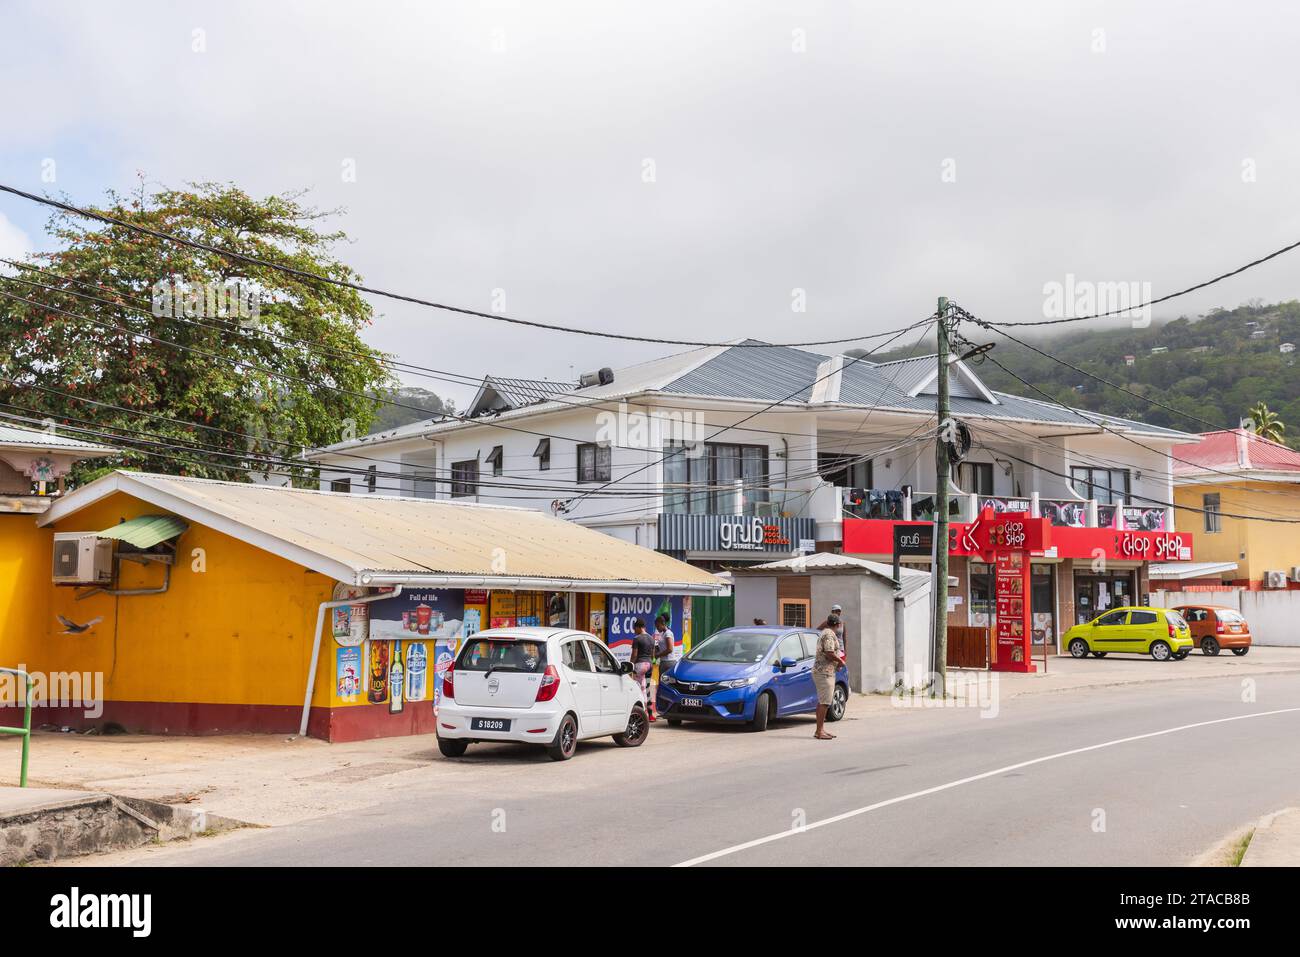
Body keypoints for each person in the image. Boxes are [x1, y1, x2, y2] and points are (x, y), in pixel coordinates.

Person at [813, 613, 844, 741]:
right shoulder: (829, 635)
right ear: (837, 625)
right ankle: (819, 731)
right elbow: (829, 652)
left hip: (824, 671)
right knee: (825, 702)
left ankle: (820, 730)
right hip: (824, 672)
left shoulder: (825, 632)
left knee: (823, 701)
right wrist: (841, 661)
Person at [652, 614, 678, 721]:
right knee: (662, 687)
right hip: (663, 663)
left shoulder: (668, 633)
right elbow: (661, 646)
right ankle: (663, 709)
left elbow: (670, 649)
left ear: (663, 624)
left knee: (667, 686)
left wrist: (658, 655)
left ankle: (669, 710)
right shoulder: (663, 634)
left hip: (668, 663)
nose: (657, 628)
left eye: (658, 626)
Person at [630, 619, 656, 716]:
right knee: (648, 687)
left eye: (634, 629)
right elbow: (653, 656)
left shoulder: (637, 639)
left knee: (639, 688)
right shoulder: (651, 638)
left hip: (640, 665)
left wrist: (630, 665)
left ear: (638, 627)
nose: (634, 631)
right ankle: (650, 714)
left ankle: (642, 712)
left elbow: (634, 655)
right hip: (649, 665)